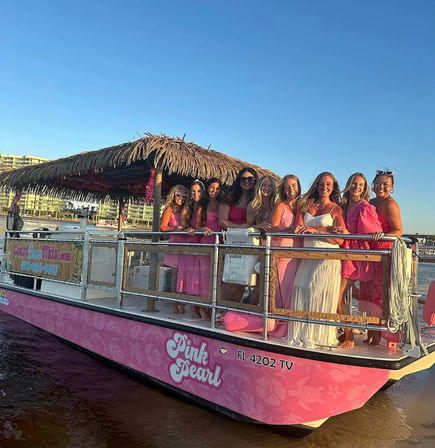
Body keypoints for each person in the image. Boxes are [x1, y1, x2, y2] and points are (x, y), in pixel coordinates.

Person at [288, 172, 345, 348]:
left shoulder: (336, 209)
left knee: (318, 293)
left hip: (327, 258)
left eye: (328, 184)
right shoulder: (306, 204)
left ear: (333, 186)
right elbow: (298, 226)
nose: (324, 187)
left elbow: (340, 239)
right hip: (307, 256)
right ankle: (300, 334)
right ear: (316, 185)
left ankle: (319, 336)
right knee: (300, 289)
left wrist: (317, 231)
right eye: (321, 184)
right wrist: (299, 227)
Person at [335, 172, 383, 349]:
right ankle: (346, 332)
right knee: (344, 298)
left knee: (337, 298)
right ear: (349, 185)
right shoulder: (344, 205)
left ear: (364, 189)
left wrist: (349, 234)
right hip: (342, 252)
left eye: (361, 185)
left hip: (354, 256)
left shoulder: (365, 207)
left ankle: (349, 336)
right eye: (354, 183)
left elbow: (370, 233)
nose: (357, 187)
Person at [359, 169, 402, 345]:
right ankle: (370, 333)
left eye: (385, 184)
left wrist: (382, 235)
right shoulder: (370, 202)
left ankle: (378, 337)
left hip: (384, 256)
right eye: (378, 183)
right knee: (367, 294)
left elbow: (398, 230)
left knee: (379, 296)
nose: (381, 186)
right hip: (370, 253)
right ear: (373, 185)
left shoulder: (391, 204)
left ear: (392, 187)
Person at [268, 175, 302, 337]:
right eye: (287, 187)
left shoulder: (301, 206)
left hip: (296, 257)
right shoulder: (280, 206)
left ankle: (288, 327)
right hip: (281, 255)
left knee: (292, 294)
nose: (291, 190)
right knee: (279, 294)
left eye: (294, 186)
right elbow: (271, 231)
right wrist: (288, 231)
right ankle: (275, 328)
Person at [218, 167, 258, 301]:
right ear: (238, 180)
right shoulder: (231, 197)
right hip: (232, 242)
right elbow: (222, 220)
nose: (246, 181)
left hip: (249, 244)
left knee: (242, 280)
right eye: (243, 178)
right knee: (231, 279)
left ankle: (231, 312)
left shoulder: (256, 199)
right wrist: (240, 227)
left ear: (255, 180)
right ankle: (218, 311)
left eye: (250, 178)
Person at [176, 180, 206, 319]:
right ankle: (193, 308)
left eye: (198, 191)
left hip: (202, 244)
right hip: (190, 243)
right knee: (190, 277)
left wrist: (199, 229)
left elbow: (200, 225)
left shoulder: (205, 206)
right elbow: (183, 224)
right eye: (193, 191)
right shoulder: (188, 207)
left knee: (199, 278)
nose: (196, 193)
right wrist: (189, 228)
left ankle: (200, 308)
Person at [160, 184, 189, 314]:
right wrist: (175, 229)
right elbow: (163, 227)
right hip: (175, 246)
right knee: (176, 278)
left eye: (184, 196)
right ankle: (174, 305)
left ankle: (183, 305)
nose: (181, 198)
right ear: (173, 195)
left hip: (187, 245)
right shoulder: (169, 209)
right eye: (178, 195)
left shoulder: (187, 209)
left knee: (185, 278)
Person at [197, 178, 223, 319]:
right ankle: (202, 309)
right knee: (205, 278)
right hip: (206, 244)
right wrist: (203, 228)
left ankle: (215, 308)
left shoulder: (223, 204)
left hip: (221, 243)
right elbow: (197, 225)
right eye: (212, 188)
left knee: (218, 278)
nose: (214, 191)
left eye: (217, 188)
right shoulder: (203, 205)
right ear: (207, 189)